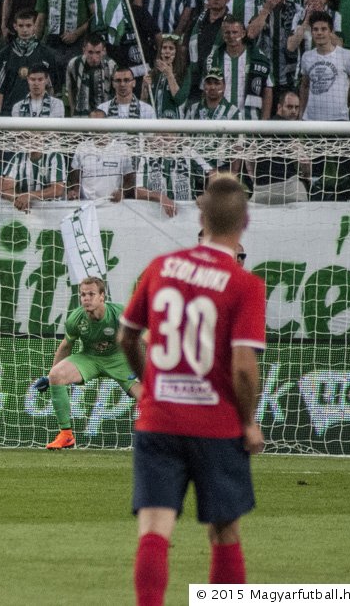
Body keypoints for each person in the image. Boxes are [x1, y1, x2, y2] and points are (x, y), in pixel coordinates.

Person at [118, 175, 266, 606]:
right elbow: (243, 368)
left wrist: (150, 388)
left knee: (154, 528)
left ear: (200, 217)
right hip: (216, 425)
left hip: (159, 418)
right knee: (224, 531)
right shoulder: (244, 285)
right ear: (246, 222)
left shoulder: (161, 266)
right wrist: (249, 422)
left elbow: (127, 337)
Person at [35, 276, 141, 450]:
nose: (86, 298)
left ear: (102, 296)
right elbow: (65, 347)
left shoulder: (120, 314)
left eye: (91, 294)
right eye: (83, 295)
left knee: (147, 397)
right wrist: (49, 377)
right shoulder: (75, 319)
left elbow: (144, 339)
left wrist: (147, 367)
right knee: (56, 375)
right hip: (89, 358)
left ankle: (162, 439)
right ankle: (66, 435)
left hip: (118, 360)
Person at [299, 10, 350, 121]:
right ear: (311, 32)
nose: (319, 33)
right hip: (311, 122)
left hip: (338, 121)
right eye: (315, 29)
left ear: (331, 31)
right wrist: (301, 114)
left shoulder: (346, 55)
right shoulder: (307, 57)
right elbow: (304, 86)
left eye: (324, 29)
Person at [66, 35, 117, 117]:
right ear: (84, 50)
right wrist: (73, 111)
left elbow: (115, 91)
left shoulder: (111, 65)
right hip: (81, 114)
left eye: (98, 52)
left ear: (104, 51)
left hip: (105, 114)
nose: (94, 57)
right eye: (90, 52)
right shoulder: (74, 64)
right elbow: (70, 89)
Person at [142, 34, 189, 118]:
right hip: (154, 124)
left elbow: (179, 99)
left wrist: (169, 74)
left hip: (174, 123)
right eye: (164, 48)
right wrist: (144, 88)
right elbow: (144, 104)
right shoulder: (152, 73)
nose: (167, 51)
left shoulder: (185, 73)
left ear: (177, 52)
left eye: (171, 48)